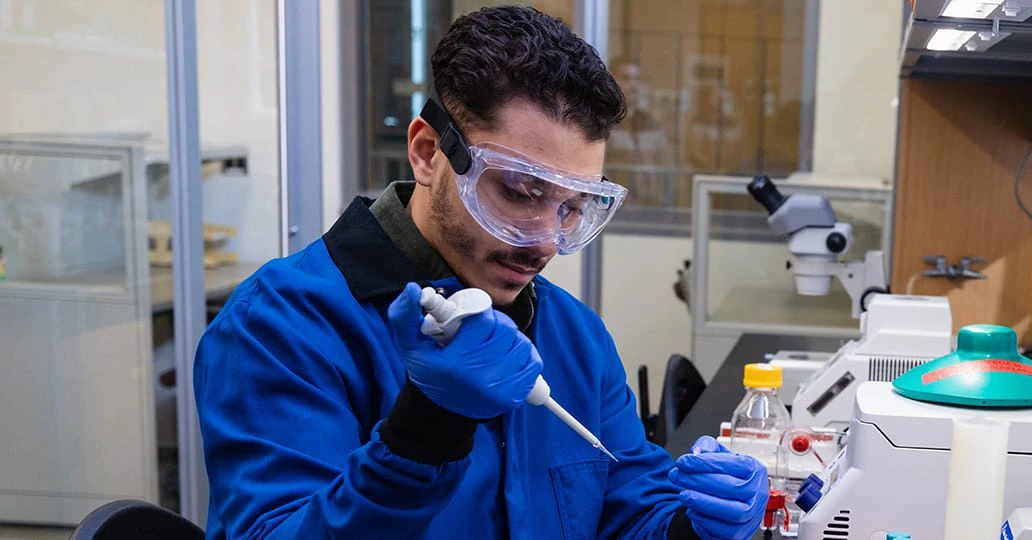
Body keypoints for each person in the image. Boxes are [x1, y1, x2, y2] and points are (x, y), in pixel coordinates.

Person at [194, 7, 767, 539]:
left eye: (573, 207)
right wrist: (425, 431)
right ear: (426, 152)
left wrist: (690, 526)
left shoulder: (573, 335)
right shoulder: (279, 327)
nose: (546, 241)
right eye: (519, 192)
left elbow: (631, 502)